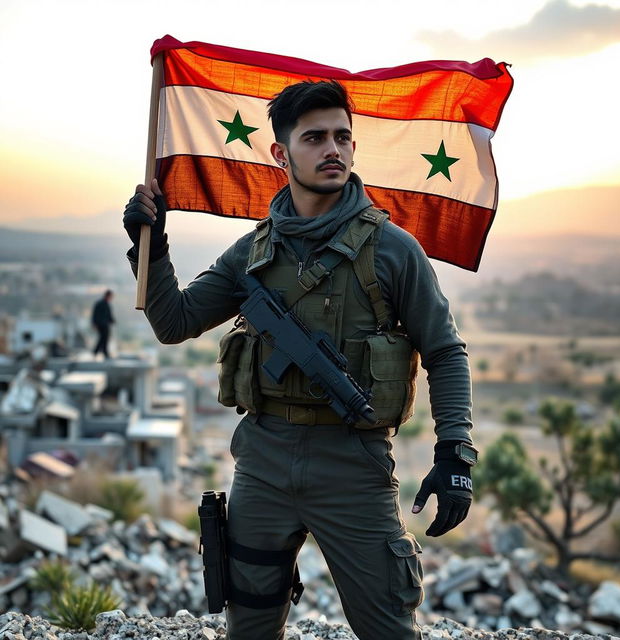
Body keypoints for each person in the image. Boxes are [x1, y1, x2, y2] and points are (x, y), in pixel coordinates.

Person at [123, 80, 476, 640]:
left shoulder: (392, 249)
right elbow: (176, 322)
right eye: (315, 138)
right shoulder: (256, 250)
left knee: (389, 628)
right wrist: (152, 247)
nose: (333, 149)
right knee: (251, 626)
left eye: (342, 136)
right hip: (263, 462)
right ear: (281, 154)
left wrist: (455, 452)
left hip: (353, 465)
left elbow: (444, 351)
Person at [91, 289, 115, 359]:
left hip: (105, 324)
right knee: (103, 338)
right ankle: (98, 352)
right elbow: (95, 314)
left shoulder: (107, 304)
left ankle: (101, 352)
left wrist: (112, 320)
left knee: (104, 339)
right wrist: (94, 323)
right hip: (101, 324)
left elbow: (109, 315)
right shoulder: (100, 303)